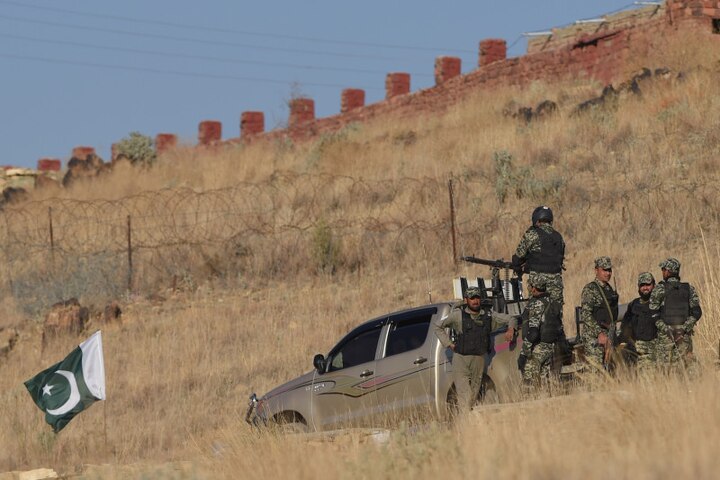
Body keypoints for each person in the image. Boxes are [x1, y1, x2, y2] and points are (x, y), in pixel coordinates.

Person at [433, 286, 516, 412]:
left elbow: (511, 318)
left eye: (477, 297)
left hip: (478, 360)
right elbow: (437, 327)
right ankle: (466, 425)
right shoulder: (458, 316)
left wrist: (511, 329)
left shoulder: (488, 315)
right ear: (466, 300)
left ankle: (471, 424)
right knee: (465, 397)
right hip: (461, 361)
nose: (475, 301)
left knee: (472, 397)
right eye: (472, 298)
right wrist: (449, 344)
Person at [649, 258, 702, 373]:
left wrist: (667, 330)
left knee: (665, 370)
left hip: (665, 337)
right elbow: (697, 312)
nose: (662, 272)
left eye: (663, 269)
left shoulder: (659, 289)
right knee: (686, 368)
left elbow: (653, 313)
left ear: (667, 271)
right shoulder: (689, 289)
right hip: (684, 337)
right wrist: (683, 329)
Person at [513, 206, 565, 307]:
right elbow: (559, 258)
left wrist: (519, 265)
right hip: (556, 283)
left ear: (536, 220)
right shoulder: (559, 237)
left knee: (536, 315)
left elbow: (518, 257)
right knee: (555, 314)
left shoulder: (532, 234)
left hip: (538, 283)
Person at [518, 275, 564, 386]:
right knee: (544, 381)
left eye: (530, 286)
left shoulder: (537, 304)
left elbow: (533, 332)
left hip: (539, 347)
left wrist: (524, 353)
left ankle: (531, 401)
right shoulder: (552, 302)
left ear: (534, 288)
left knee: (529, 380)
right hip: (551, 346)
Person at [580, 256, 619, 369]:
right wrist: (599, 333)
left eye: (609, 270)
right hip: (595, 338)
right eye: (604, 270)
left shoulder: (609, 289)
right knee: (596, 372)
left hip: (609, 336)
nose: (608, 273)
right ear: (596, 270)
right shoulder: (590, 289)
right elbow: (586, 314)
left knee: (610, 371)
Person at [620, 272, 657, 373]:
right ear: (638, 287)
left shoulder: (660, 303)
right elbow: (625, 326)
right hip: (636, 347)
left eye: (648, 285)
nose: (645, 288)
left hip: (655, 347)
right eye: (642, 285)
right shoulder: (633, 305)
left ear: (654, 285)